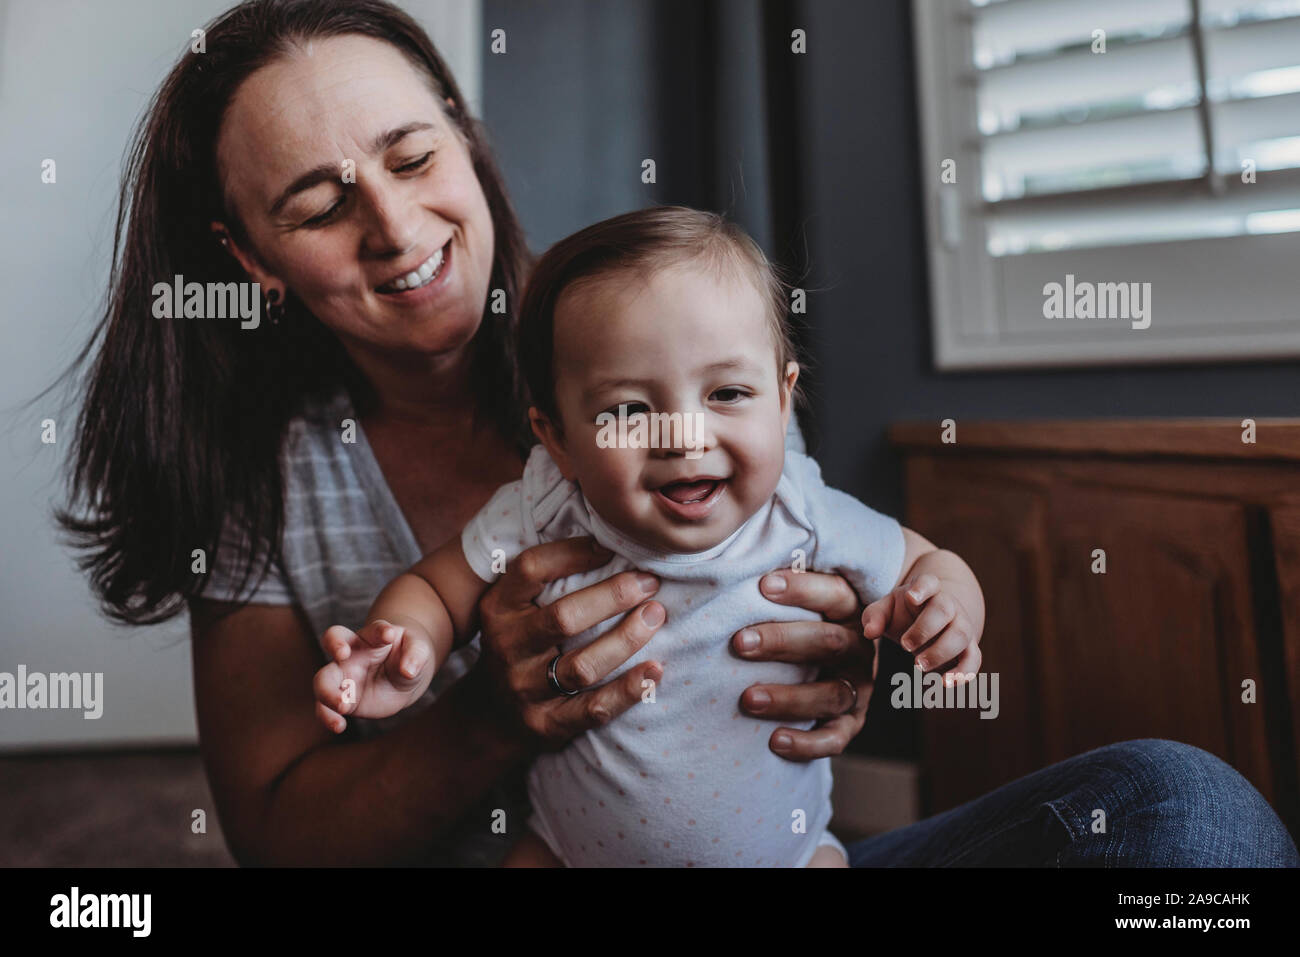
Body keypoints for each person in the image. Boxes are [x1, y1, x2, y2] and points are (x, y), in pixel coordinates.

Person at [60, 0, 1298, 867]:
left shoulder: (654, 339)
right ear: (248, 260)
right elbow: (280, 838)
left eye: (411, 154)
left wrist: (870, 640)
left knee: (1174, 806)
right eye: (322, 205)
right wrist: (490, 713)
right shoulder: (264, 483)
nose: (393, 229)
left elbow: (883, 567)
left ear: (463, 136)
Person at [311, 206, 986, 867]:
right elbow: (437, 587)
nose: (684, 436)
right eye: (629, 408)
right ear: (558, 439)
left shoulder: (802, 510)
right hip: (569, 851)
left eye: (726, 393)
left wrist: (945, 607)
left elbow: (926, 561)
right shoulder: (545, 508)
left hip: (785, 852)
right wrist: (405, 645)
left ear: (783, 401)